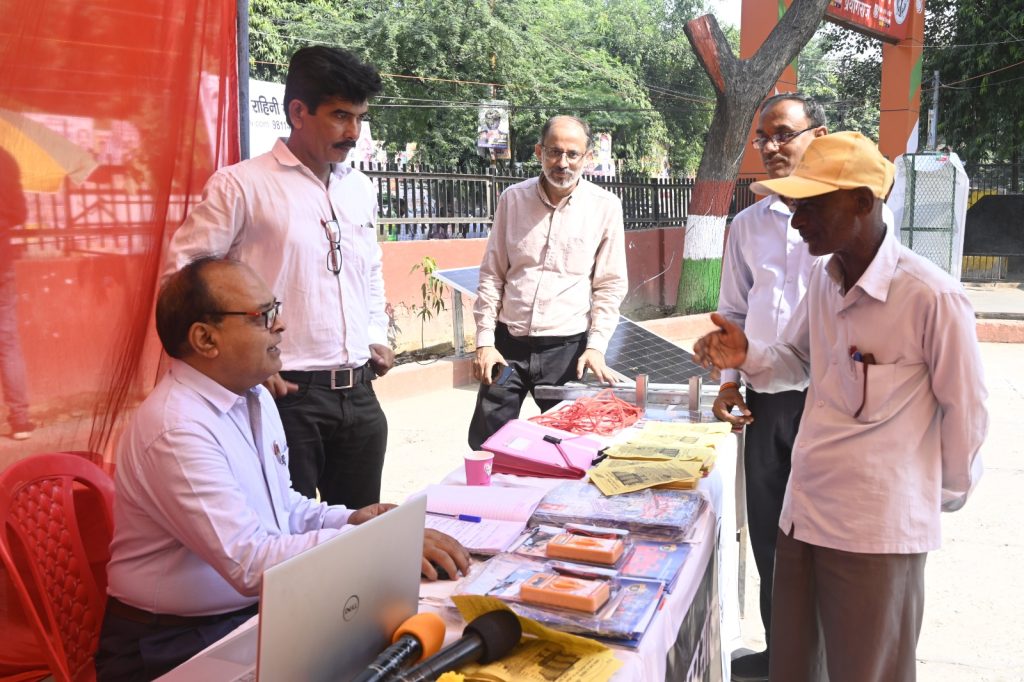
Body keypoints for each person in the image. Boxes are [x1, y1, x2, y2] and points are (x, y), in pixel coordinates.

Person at [693, 131, 988, 682]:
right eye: (795, 206)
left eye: (811, 206)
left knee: (867, 670)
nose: (797, 220)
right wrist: (749, 354)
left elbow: (966, 412)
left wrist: (930, 499)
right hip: (804, 512)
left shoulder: (930, 297)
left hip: (874, 531)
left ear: (861, 201)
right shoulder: (826, 281)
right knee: (796, 665)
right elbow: (798, 361)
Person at [96, 258, 469, 681]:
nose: (281, 325)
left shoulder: (251, 396)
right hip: (172, 644)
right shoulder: (176, 428)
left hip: (244, 615)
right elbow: (250, 561)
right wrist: (370, 543)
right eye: (264, 315)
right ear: (204, 338)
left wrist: (349, 517)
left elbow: (281, 508)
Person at [164, 46, 392, 508]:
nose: (353, 132)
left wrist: (375, 332)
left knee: (363, 532)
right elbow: (183, 280)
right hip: (283, 392)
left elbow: (369, 268)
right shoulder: (241, 185)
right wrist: (241, 366)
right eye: (340, 116)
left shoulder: (359, 187)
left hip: (359, 392)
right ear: (297, 112)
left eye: (360, 118)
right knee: (286, 538)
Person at [715, 92, 827, 681]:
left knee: (822, 541)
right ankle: (782, 653)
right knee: (768, 534)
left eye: (783, 133)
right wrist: (730, 382)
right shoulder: (747, 223)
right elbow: (732, 307)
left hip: (827, 403)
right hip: (763, 403)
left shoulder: (837, 219)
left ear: (817, 134)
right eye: (763, 137)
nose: (772, 146)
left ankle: (822, 661)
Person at [468, 115, 628, 450]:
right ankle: (491, 503)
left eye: (573, 154)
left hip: (567, 352)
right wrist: (485, 341)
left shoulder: (605, 208)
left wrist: (596, 347)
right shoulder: (513, 199)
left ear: (587, 158)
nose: (563, 163)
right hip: (507, 348)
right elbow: (492, 275)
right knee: (488, 445)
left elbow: (609, 286)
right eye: (555, 152)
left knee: (570, 447)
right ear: (540, 151)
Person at [0, 146, 34, 440]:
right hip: (2, 256)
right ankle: (20, 421)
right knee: (7, 340)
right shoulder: (6, 159)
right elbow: (20, 211)